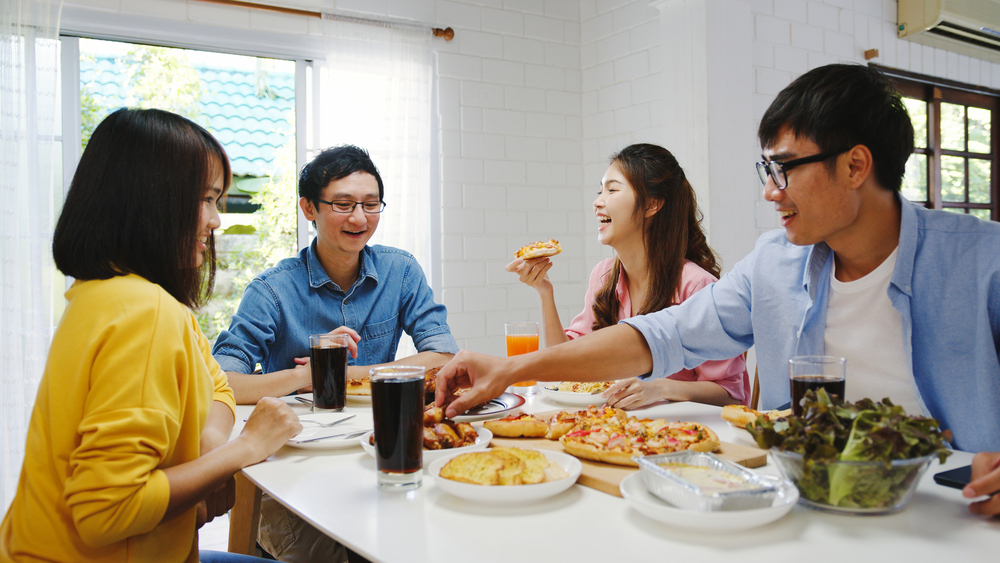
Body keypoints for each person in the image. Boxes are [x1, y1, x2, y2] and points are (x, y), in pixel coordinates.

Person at [435, 64, 1000, 517]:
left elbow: (722, 392)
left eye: (783, 169)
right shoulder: (774, 264)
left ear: (855, 165)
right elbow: (661, 335)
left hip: (951, 512)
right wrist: (511, 370)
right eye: (766, 171)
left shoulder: (982, 261)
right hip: (793, 506)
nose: (769, 193)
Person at [0, 108, 302, 562]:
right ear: (149, 203)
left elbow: (217, 385)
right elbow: (107, 510)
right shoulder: (144, 311)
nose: (216, 220)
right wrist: (246, 448)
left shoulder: (107, 294)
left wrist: (203, 467)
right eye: (204, 199)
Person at [212, 145, 459, 561]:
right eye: (343, 204)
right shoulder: (272, 290)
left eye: (370, 204)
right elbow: (222, 382)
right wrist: (305, 377)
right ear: (309, 208)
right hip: (296, 460)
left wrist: (350, 374)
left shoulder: (400, 271)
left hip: (376, 447)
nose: (359, 218)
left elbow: (442, 355)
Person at [506, 144, 748, 408]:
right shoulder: (604, 276)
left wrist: (660, 388)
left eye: (612, 189)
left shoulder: (697, 286)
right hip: (613, 429)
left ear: (652, 204)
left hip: (675, 434)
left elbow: (731, 395)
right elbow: (565, 366)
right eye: (600, 190)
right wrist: (545, 292)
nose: (598, 201)